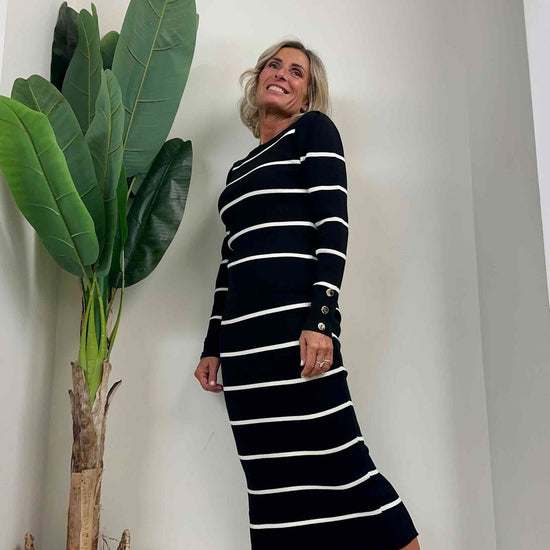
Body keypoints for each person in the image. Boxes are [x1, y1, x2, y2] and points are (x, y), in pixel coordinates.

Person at [194, 38, 421, 550]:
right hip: (244, 349)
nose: (282, 73)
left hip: (297, 335)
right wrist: (213, 345)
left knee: (347, 467)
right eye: (274, 65)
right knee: (271, 485)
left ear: (308, 93)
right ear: (257, 80)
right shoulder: (238, 172)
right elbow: (230, 264)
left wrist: (321, 321)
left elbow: (333, 227)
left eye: (297, 72)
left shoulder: (313, 131)